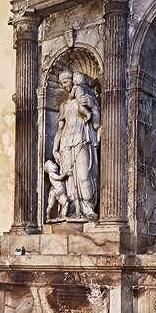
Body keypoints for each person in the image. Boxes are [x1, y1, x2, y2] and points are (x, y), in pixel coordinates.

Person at [53, 70, 100, 220]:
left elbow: (97, 122)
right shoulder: (64, 105)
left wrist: (92, 106)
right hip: (66, 143)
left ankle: (88, 208)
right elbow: (60, 130)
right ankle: (72, 210)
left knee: (84, 174)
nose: (64, 86)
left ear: (73, 81)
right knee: (70, 180)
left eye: (65, 82)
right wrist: (55, 149)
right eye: (61, 84)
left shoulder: (86, 98)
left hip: (83, 139)